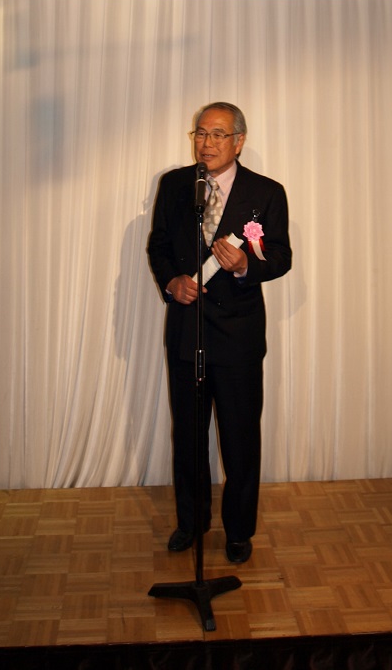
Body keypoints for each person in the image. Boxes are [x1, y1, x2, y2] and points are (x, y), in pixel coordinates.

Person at [147, 102, 291, 564]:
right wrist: (171, 282)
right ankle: (191, 523)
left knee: (240, 439)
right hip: (187, 331)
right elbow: (158, 246)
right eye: (200, 133)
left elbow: (281, 256)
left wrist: (247, 264)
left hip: (238, 336)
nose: (205, 143)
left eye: (217, 135)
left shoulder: (266, 192)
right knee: (188, 438)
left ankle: (239, 531)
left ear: (239, 141)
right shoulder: (175, 185)